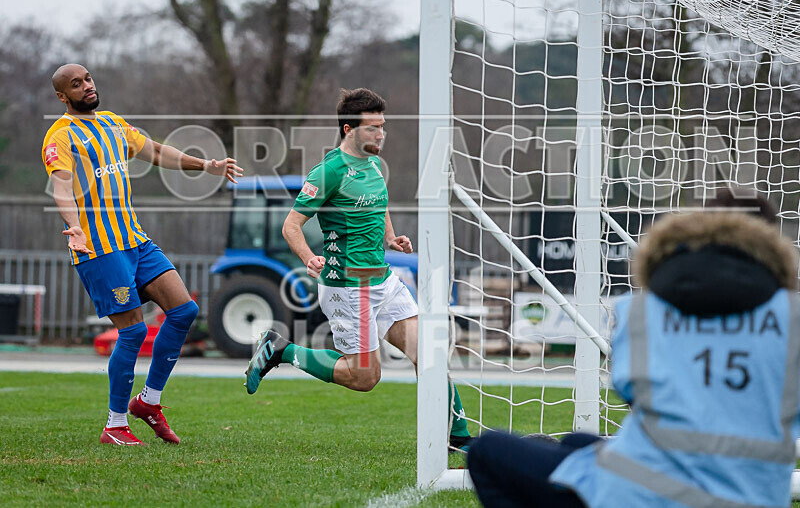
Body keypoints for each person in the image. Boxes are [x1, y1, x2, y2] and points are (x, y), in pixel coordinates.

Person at [467, 200, 800, 507]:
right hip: (755, 496)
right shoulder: (793, 317)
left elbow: (631, 393)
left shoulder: (642, 310)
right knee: (578, 443)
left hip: (645, 494)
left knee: (487, 452)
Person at [244, 88, 471, 448]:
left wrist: (391, 238)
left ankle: (458, 437)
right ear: (349, 129)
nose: (381, 134)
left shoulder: (373, 165)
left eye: (383, 126)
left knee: (428, 352)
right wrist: (308, 257)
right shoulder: (328, 171)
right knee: (365, 377)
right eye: (372, 128)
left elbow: (379, 205)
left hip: (383, 279)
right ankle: (281, 350)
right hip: (348, 286)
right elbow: (291, 226)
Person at [42, 64, 243, 445]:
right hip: (99, 248)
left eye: (88, 79)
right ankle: (115, 425)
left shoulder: (113, 123)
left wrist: (206, 166)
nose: (87, 86)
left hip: (135, 241)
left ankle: (148, 402)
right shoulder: (60, 137)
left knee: (184, 311)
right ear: (62, 96)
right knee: (133, 331)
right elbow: (62, 187)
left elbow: (157, 151)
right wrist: (74, 227)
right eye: (76, 84)